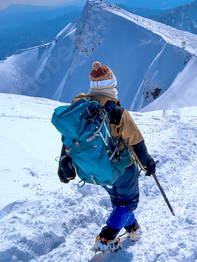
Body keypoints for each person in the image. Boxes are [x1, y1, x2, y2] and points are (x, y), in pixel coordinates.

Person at [57, 61, 156, 248]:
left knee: (119, 201)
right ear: (111, 86)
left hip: (93, 170)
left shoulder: (80, 109)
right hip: (120, 170)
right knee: (128, 201)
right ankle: (106, 238)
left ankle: (133, 228)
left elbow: (68, 139)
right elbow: (136, 143)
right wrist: (148, 163)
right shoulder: (117, 112)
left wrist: (64, 162)